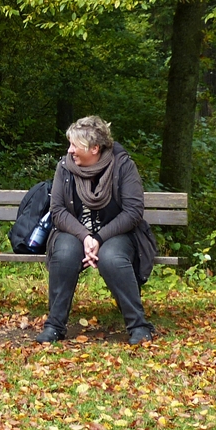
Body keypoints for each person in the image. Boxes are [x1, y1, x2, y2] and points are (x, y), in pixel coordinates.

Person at [35, 116, 156, 345]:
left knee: (111, 258)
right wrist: (86, 236)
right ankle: (54, 325)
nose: (70, 150)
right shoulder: (65, 167)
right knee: (65, 253)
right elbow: (58, 210)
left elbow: (132, 212)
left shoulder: (123, 165)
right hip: (74, 233)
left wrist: (99, 238)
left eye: (75, 145)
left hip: (116, 233)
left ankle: (139, 326)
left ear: (94, 148)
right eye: (70, 144)